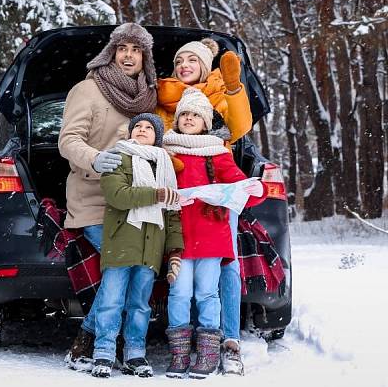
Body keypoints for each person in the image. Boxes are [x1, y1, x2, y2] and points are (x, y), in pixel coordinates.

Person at [58, 23, 158, 370]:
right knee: (126, 263)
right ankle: (98, 343)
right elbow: (68, 140)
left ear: (145, 58)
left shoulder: (149, 96)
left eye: (136, 50)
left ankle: (89, 340)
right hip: (94, 196)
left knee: (132, 267)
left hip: (138, 201)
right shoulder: (88, 90)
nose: (129, 55)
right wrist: (95, 159)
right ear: (111, 53)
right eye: (123, 48)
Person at [157, 38, 254, 375]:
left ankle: (225, 342)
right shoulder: (162, 100)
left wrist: (233, 87)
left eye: (192, 60)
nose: (185, 65)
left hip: (212, 212)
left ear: (204, 65)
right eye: (180, 59)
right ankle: (181, 349)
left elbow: (240, 127)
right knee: (181, 289)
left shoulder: (217, 96)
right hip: (179, 218)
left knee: (221, 272)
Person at [87, 113, 183, 378]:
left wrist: (175, 251)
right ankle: (104, 353)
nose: (141, 130)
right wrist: (155, 194)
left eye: (149, 127)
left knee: (140, 304)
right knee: (111, 300)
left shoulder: (165, 167)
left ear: (158, 137)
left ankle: (135, 354)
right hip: (121, 242)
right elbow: (117, 196)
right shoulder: (118, 158)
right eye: (137, 126)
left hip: (152, 246)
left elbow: (173, 212)